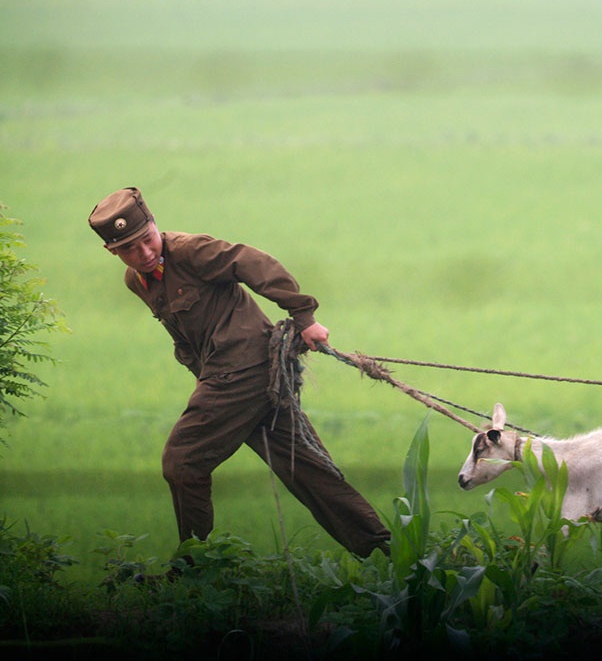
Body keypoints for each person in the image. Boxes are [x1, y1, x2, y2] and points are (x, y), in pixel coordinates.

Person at [88, 187, 390, 558]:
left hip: (244, 368)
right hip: (231, 375)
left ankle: (195, 568)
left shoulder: (190, 251)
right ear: (112, 251)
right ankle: (389, 551)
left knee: (182, 461)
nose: (145, 253)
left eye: (147, 239)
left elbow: (251, 261)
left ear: (154, 223)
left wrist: (303, 316)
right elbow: (183, 336)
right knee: (304, 466)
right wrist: (201, 375)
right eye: (130, 249)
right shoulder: (137, 281)